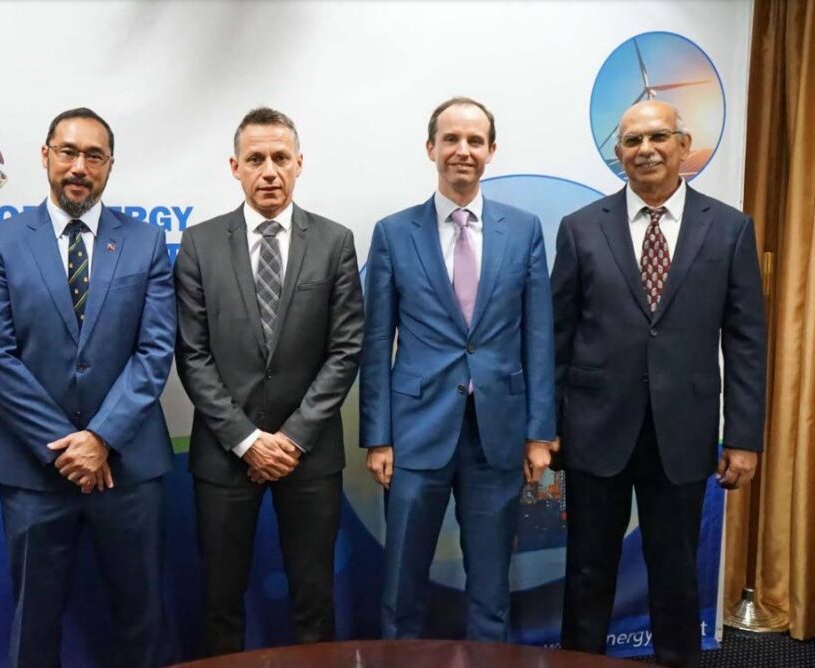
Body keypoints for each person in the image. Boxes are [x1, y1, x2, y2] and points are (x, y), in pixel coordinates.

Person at [553, 100, 766, 668]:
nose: (645, 149)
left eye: (658, 137)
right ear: (618, 154)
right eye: (631, 141)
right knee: (588, 571)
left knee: (675, 572)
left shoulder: (730, 228)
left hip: (684, 433)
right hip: (595, 431)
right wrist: (547, 430)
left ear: (683, 145)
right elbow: (557, 337)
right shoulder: (579, 229)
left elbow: (746, 340)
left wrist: (743, 437)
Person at [0, 107, 175, 668]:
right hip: (34, 470)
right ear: (45, 155)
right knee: (34, 622)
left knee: (142, 618)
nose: (79, 167)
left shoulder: (147, 242)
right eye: (68, 152)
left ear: (109, 165)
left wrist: (102, 437)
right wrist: (69, 446)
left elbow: (155, 352)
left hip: (127, 466)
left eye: (93, 156)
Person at [360, 96, 556, 641]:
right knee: (402, 586)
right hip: (415, 435)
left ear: (492, 151)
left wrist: (540, 433)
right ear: (431, 149)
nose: (462, 150)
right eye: (451, 139)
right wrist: (378, 438)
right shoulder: (394, 233)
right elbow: (377, 343)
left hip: (497, 435)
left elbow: (538, 337)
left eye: (474, 140)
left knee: (491, 590)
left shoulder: (524, 230)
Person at [174, 107, 363, 656]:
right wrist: (249, 440)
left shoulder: (334, 242)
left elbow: (345, 349)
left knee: (313, 598)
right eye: (255, 159)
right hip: (225, 454)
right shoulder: (199, 244)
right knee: (221, 600)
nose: (269, 171)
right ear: (235, 167)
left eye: (281, 158)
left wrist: (292, 437)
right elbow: (193, 354)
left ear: (299, 163)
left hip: (309, 455)